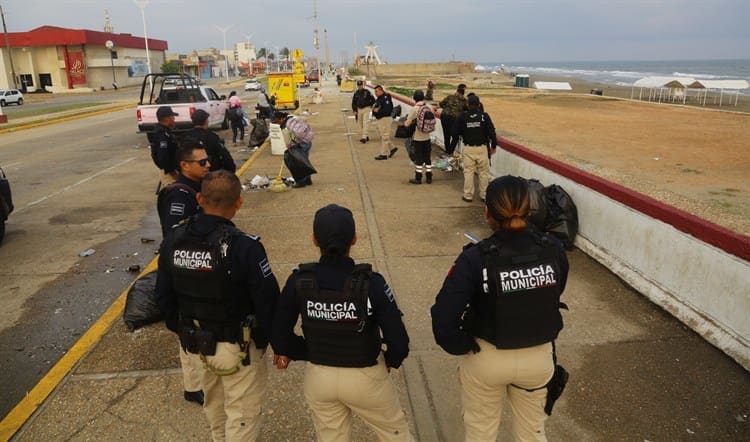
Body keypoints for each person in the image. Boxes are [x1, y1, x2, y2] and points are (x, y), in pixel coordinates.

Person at [430, 176, 569, 441]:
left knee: (481, 433)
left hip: (487, 357)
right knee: (533, 434)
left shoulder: (474, 258)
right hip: (538, 357)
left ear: (487, 213)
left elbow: (443, 318)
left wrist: (464, 346)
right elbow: (555, 291)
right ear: (530, 210)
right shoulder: (553, 248)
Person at [156, 170, 280, 441]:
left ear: (199, 198)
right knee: (243, 416)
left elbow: (162, 297)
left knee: (215, 408)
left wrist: (184, 330)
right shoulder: (244, 247)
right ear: (239, 203)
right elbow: (268, 301)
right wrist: (275, 343)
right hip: (238, 347)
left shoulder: (173, 240)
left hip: (196, 343)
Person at [271, 204, 413, 442]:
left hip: (320, 377)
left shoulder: (300, 280)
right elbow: (399, 340)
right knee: (395, 434)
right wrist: (390, 361)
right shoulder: (372, 283)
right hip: (366, 376)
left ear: (315, 240)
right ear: (355, 239)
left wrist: (306, 352)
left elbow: (279, 333)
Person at [156, 139, 212, 406]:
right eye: (202, 162)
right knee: (188, 328)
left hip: (196, 267)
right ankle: (194, 387)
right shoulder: (180, 194)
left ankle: (197, 383)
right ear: (184, 165)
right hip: (184, 269)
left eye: (207, 160)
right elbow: (174, 235)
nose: (207, 165)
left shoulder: (195, 188)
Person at [450, 94, 497, 203]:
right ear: (479, 104)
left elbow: (454, 132)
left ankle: (468, 195)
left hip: (468, 149)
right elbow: (492, 132)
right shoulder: (484, 116)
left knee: (468, 172)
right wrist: (493, 146)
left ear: (468, 104)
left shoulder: (462, 117)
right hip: (482, 148)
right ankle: (484, 195)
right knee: (483, 173)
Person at [398, 89, 434, 184]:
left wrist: (403, 123)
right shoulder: (429, 107)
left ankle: (418, 177)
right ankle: (429, 177)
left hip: (418, 137)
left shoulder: (415, 109)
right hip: (427, 137)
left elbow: (407, 123)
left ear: (414, 98)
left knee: (419, 158)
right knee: (427, 157)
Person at [272, 111, 315, 188]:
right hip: (308, 141)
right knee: (304, 161)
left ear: (281, 119)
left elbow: (288, 141)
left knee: (297, 163)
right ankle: (308, 180)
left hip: (300, 144)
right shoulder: (292, 118)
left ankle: (301, 182)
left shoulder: (286, 126)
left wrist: (289, 147)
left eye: (276, 121)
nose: (276, 123)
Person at [150, 106, 180, 189]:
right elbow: (163, 157)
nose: (174, 119)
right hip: (169, 173)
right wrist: (172, 172)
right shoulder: (162, 135)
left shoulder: (166, 131)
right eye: (172, 117)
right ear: (167, 118)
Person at [437, 84, 468, 155]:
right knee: (455, 136)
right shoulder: (464, 100)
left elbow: (441, 104)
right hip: (454, 119)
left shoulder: (450, 97)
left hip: (444, 116)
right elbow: (467, 110)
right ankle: (450, 152)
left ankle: (447, 151)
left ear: (457, 90)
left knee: (446, 135)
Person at [372, 85, 398, 161]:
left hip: (385, 119)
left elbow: (387, 110)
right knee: (383, 135)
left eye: (376, 91)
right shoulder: (380, 98)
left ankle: (383, 154)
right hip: (380, 119)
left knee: (385, 136)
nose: (375, 93)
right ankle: (392, 148)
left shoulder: (385, 98)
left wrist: (378, 111)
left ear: (381, 91)